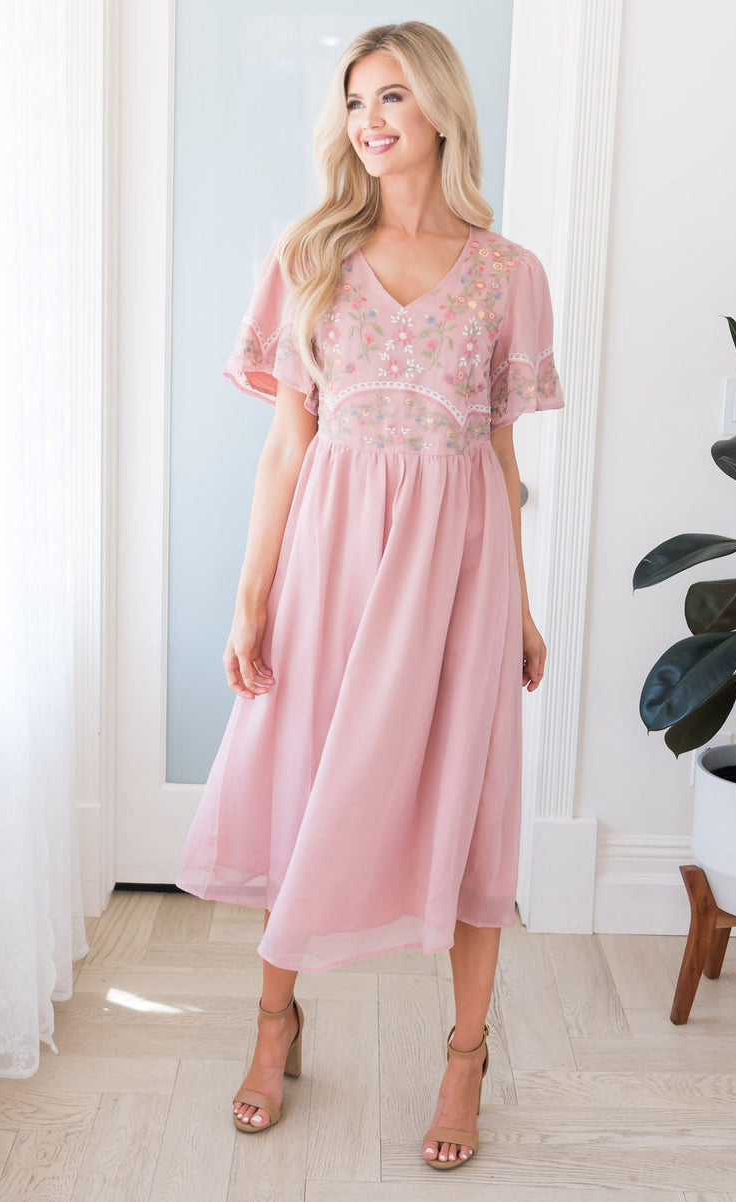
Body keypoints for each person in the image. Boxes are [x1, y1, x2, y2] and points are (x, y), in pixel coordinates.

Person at [176, 19, 565, 1170]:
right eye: (354, 101)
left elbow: (499, 453)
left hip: (458, 575)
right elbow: (284, 448)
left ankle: (463, 1057)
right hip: (331, 563)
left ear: (440, 109)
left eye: (391, 96)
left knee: (471, 797)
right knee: (302, 784)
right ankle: (274, 1023)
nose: (370, 120)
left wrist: (522, 605)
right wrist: (249, 598)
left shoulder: (508, 274)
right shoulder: (308, 257)